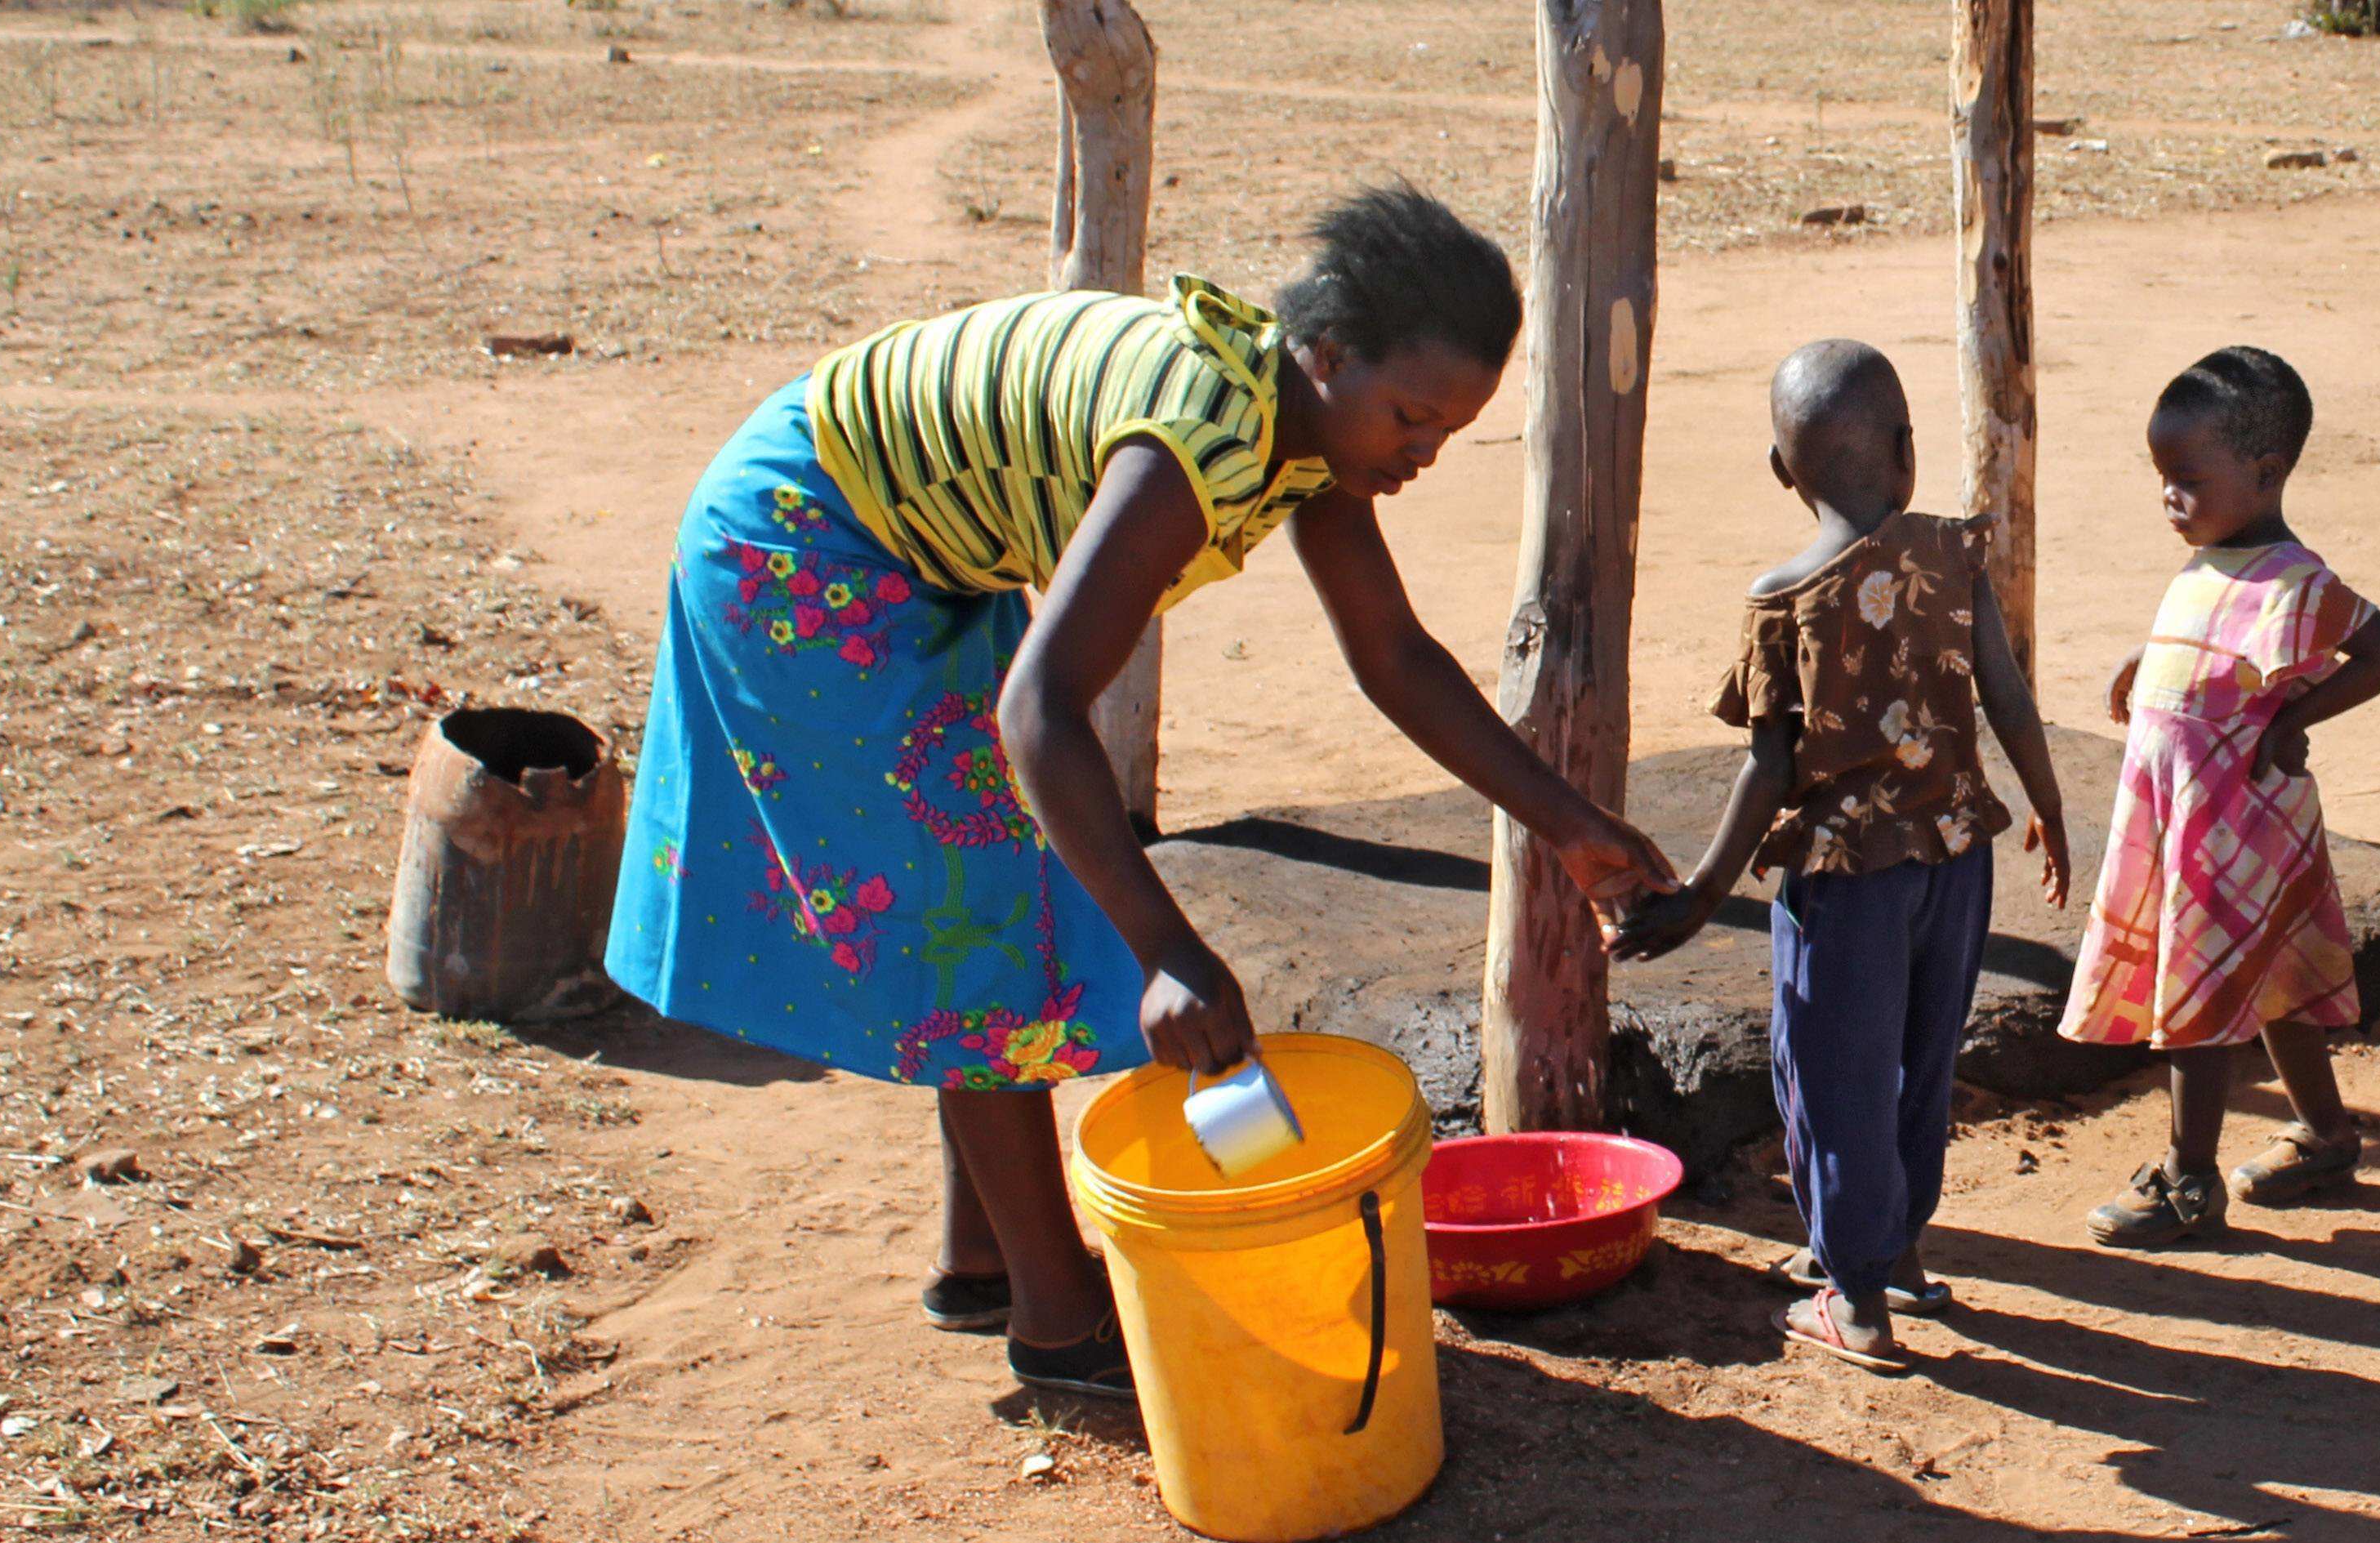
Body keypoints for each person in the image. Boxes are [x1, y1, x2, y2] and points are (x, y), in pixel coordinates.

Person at [606, 186, 1676, 1399]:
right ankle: (1058, 1325)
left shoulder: (1306, 429)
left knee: (992, 901)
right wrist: (1170, 952)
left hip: (913, 553)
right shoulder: (1197, 443)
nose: (1423, 457)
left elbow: (1394, 659)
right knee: (973, 917)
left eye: (1447, 433)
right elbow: (1039, 714)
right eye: (1410, 420)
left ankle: (988, 1260)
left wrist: (1570, 827)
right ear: (1326, 358)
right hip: (804, 546)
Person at [1616, 341, 2072, 1371]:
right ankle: (1896, 1248)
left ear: (1783, 472)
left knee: (1834, 1078)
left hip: (1845, 882)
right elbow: (2006, 691)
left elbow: (1766, 771)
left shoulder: (1783, 599)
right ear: (1908, 454)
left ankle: (1853, 1297)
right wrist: (2046, 803)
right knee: (1921, 1060)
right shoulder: (1952, 558)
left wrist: (1698, 895)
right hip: (1957, 860)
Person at [2058, 346, 2380, 1247]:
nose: (2169, 497)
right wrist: (2149, 661)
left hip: (2237, 830)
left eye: (2186, 478)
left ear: (2265, 473)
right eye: (2161, 479)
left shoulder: (2297, 581)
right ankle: (2329, 1137)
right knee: (2279, 989)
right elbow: (2214, 651)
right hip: (2196, 822)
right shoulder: (2209, 559)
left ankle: (2186, 1179)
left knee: (2203, 1002)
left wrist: (2301, 721)